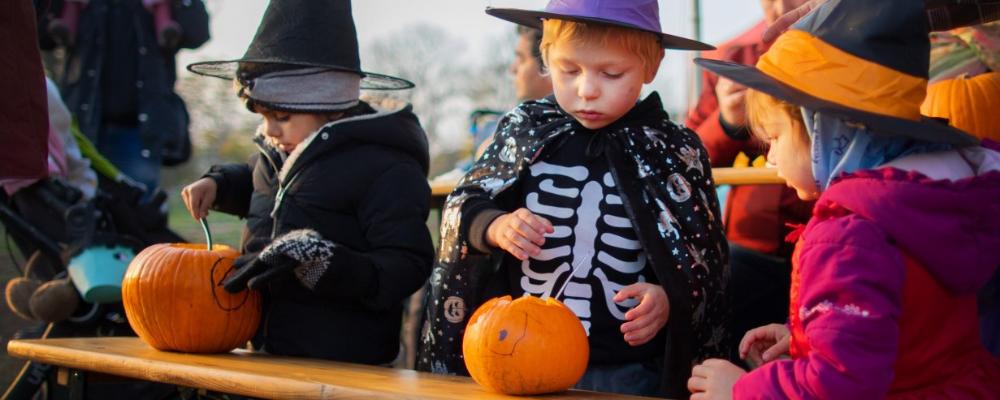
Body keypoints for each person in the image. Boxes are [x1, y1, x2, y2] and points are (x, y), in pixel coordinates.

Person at [689, 0, 1000, 398]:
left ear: (824, 134)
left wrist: (742, 391)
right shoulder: (930, 207)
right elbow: (903, 326)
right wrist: (808, 333)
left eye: (776, 138)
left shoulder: (847, 236)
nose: (770, 156)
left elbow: (839, 383)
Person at [418, 0, 728, 397]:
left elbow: (702, 262)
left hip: (627, 368)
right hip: (512, 354)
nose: (587, 90)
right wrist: (494, 226)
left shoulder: (673, 151)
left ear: (652, 66)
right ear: (546, 58)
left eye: (612, 73)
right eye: (568, 70)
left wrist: (669, 298)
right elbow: (468, 200)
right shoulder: (526, 129)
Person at [180, 0, 434, 365]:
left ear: (331, 105)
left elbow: (406, 265)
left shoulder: (386, 168)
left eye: (281, 116)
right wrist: (220, 184)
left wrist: (323, 264)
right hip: (265, 349)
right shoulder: (278, 152)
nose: (269, 129)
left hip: (342, 362)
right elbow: (266, 187)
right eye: (263, 115)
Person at [684, 0, 813, 363]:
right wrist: (727, 122)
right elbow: (686, 159)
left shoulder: (856, 49)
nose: (782, 6)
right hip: (750, 250)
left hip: (829, 237)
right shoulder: (735, 56)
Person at [34, 0, 209, 199]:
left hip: (137, 132)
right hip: (83, 130)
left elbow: (198, 32)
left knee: (138, 216)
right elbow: (40, 34)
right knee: (78, 216)